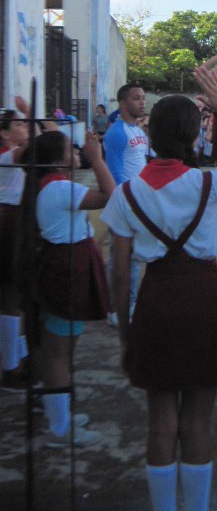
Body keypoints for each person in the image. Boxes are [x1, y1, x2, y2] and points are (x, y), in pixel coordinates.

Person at [101, 67, 217, 511]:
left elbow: (120, 277)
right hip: (204, 300)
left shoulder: (126, 193)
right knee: (197, 422)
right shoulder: (210, 182)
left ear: (150, 134)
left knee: (160, 420)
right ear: (196, 136)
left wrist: (125, 333)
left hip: (155, 302)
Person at [33, 130, 115, 447]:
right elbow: (110, 194)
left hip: (68, 267)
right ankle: (59, 428)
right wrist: (98, 160)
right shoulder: (59, 189)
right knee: (58, 355)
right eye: (71, 149)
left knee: (63, 350)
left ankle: (59, 410)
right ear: (56, 159)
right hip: (66, 271)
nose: (77, 152)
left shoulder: (55, 187)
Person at [103, 83, 149, 324]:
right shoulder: (116, 133)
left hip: (140, 202)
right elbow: (114, 173)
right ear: (123, 104)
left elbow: (143, 167)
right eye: (136, 98)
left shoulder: (140, 133)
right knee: (121, 259)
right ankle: (116, 309)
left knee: (134, 259)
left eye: (142, 98)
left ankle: (130, 302)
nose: (142, 102)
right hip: (125, 203)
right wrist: (126, 202)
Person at [0, 100, 30, 391]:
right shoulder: (9, 156)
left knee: (14, 297)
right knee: (10, 298)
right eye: (19, 124)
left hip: (12, 218)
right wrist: (33, 113)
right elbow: (35, 150)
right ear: (5, 134)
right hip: (8, 222)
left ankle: (18, 357)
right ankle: (11, 368)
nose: (25, 127)